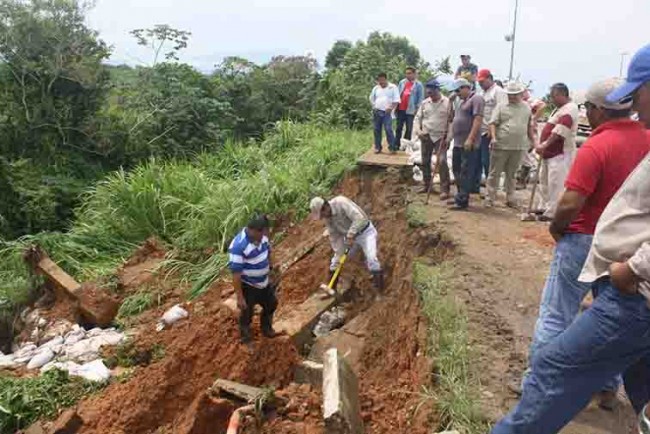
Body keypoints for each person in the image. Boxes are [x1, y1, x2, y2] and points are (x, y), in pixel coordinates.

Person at [491, 44, 650, 434]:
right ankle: (608, 390)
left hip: (614, 267)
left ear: (596, 111)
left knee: (556, 332)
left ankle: (529, 397)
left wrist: (632, 266)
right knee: (632, 368)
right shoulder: (643, 140)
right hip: (620, 267)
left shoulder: (598, 143)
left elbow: (573, 199)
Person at [310, 196, 384, 294]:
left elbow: (359, 218)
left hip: (365, 232)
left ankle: (380, 290)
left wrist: (351, 234)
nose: (323, 218)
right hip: (350, 239)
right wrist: (339, 252)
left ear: (326, 207)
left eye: (322, 214)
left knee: (371, 258)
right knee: (336, 261)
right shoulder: (328, 219)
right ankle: (331, 288)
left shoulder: (341, 203)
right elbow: (334, 237)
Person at [228, 214, 279, 345]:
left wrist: (271, 268)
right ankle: (246, 338)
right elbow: (236, 274)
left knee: (271, 304)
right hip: (248, 286)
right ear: (254, 230)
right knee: (246, 313)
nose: (265, 235)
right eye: (262, 232)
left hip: (264, 283)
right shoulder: (238, 246)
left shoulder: (263, 238)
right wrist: (239, 297)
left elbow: (268, 252)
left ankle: (266, 329)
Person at [486, 81, 535, 208]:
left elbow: (529, 126)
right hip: (501, 144)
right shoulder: (501, 106)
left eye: (515, 94)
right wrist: (494, 138)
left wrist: (533, 141)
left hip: (518, 146)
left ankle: (510, 197)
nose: (512, 97)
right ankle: (490, 197)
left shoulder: (526, 108)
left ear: (521, 94)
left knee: (512, 174)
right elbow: (492, 123)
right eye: (510, 94)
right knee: (495, 172)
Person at [534, 83, 579, 220]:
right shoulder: (558, 109)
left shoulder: (570, 109)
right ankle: (545, 206)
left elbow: (560, 131)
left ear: (561, 95)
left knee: (556, 183)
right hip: (549, 153)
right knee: (545, 181)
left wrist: (545, 144)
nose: (552, 99)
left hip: (560, 153)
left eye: (554, 96)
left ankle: (553, 212)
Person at [412, 79, 452, 199]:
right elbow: (417, 119)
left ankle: (445, 189)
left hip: (440, 137)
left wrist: (449, 138)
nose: (430, 94)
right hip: (426, 135)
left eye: (432, 92)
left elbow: (451, 122)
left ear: (437, 90)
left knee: (442, 161)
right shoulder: (425, 103)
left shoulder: (448, 103)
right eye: (428, 92)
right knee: (425, 161)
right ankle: (427, 184)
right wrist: (418, 132)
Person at [449, 78, 484, 210]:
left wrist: (470, 138)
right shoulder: (460, 102)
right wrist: (451, 102)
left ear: (466, 87)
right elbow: (452, 117)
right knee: (457, 169)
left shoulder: (476, 99)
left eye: (458, 90)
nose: (457, 93)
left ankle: (463, 201)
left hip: (468, 143)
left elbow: (478, 119)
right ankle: (459, 196)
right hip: (458, 142)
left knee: (465, 171)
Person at [477, 69, 508, 193]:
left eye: (483, 81)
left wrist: (494, 129)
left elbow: (502, 112)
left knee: (489, 163)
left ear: (490, 78)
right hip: (481, 131)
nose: (480, 84)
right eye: (479, 82)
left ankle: (491, 190)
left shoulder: (498, 92)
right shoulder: (482, 93)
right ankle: (482, 186)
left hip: (491, 132)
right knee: (481, 160)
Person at [516, 90, 547, 189]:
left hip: (529, 133)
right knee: (521, 156)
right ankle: (520, 179)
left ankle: (522, 180)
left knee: (526, 156)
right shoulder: (519, 103)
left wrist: (534, 118)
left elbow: (543, 105)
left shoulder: (530, 102)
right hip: (522, 132)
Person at [369, 72, 400, 154]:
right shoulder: (376, 88)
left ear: (386, 79)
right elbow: (371, 98)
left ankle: (392, 147)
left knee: (388, 129)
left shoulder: (393, 87)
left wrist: (391, 108)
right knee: (376, 129)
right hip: (377, 111)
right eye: (379, 81)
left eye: (382, 80)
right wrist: (374, 107)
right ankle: (377, 147)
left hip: (387, 112)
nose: (381, 82)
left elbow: (396, 100)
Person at [395, 67, 424, 150]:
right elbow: (398, 94)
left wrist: (417, 110)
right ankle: (396, 144)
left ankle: (405, 145)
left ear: (414, 74)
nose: (407, 75)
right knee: (398, 127)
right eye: (406, 73)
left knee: (409, 128)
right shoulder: (402, 82)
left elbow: (420, 98)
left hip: (411, 110)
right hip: (400, 108)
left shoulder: (418, 85)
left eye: (409, 73)